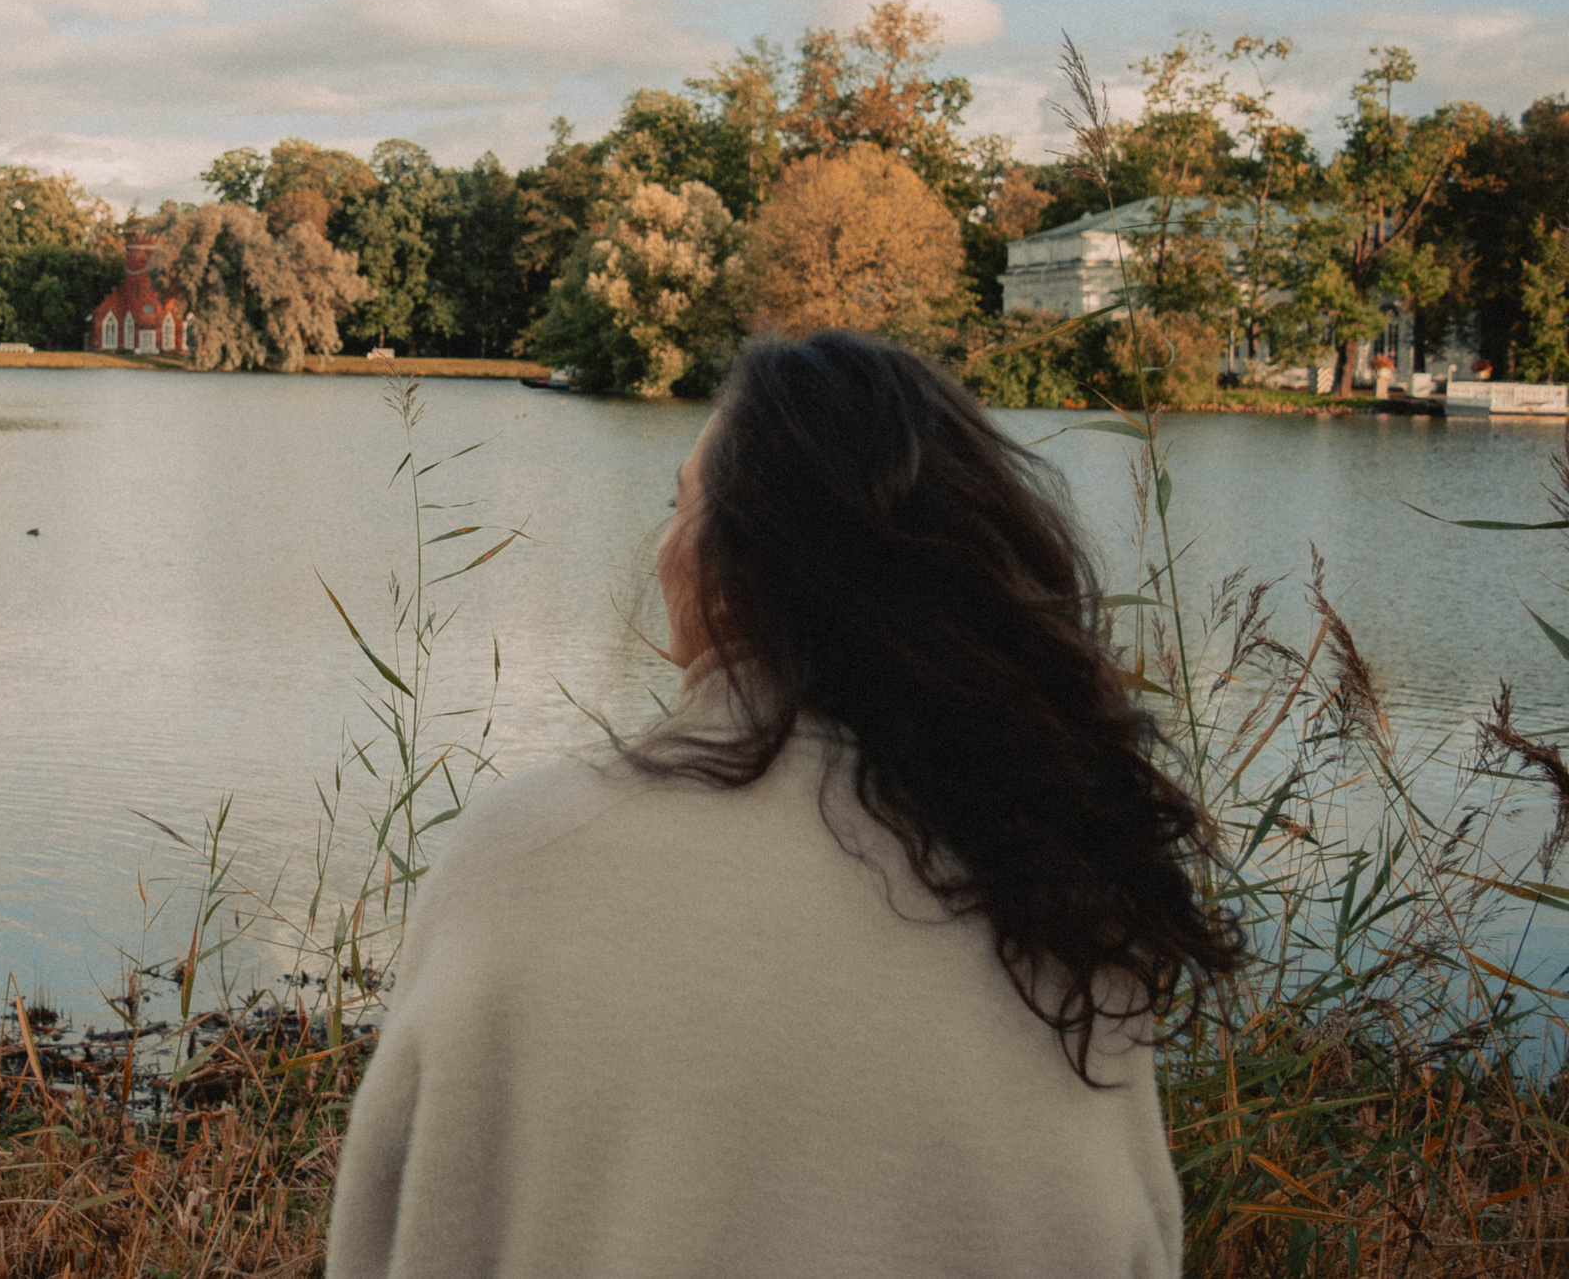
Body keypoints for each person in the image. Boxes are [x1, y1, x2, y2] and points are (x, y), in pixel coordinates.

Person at [326, 332, 1240, 1279]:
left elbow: (383, 1245)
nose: (661, 549)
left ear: (741, 565)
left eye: (678, 505)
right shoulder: (1066, 887)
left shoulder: (520, 858)